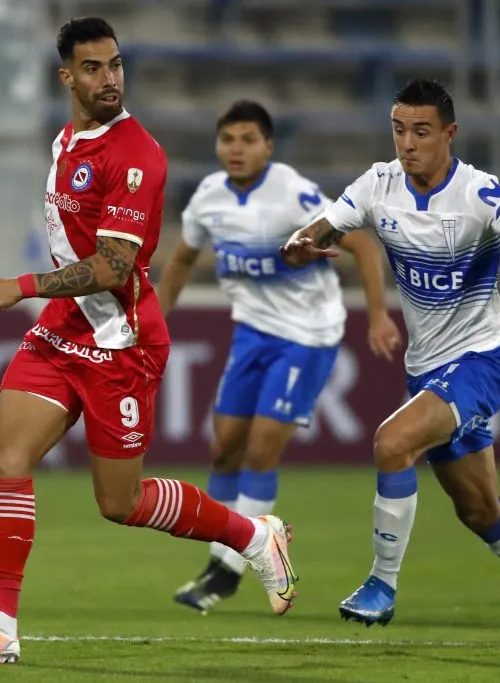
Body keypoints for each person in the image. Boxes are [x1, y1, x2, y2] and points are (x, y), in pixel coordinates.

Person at [0, 17, 298, 665]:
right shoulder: (68, 139)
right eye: (94, 68)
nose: (109, 79)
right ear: (67, 76)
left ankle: (253, 535)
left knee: (119, 502)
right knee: (5, 456)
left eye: (116, 65)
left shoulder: (136, 155)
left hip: (120, 342)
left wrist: (24, 284)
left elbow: (116, 266)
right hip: (63, 333)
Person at [281, 79, 500, 645]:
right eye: (399, 130)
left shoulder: (479, 193)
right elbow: (324, 228)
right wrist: (300, 244)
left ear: (449, 133)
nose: (408, 143)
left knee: (391, 441)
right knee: (478, 509)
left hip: (481, 359)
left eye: (421, 131)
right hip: (426, 366)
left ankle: (382, 583)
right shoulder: (379, 185)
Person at [156, 100, 401, 614]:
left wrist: (377, 314)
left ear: (268, 146)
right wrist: (153, 318)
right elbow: (180, 259)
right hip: (252, 332)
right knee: (224, 449)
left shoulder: (292, 192)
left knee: (261, 450)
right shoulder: (208, 199)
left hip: (307, 334)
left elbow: (362, 247)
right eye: (228, 140)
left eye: (248, 140)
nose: (237, 149)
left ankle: (227, 568)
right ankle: (222, 560)